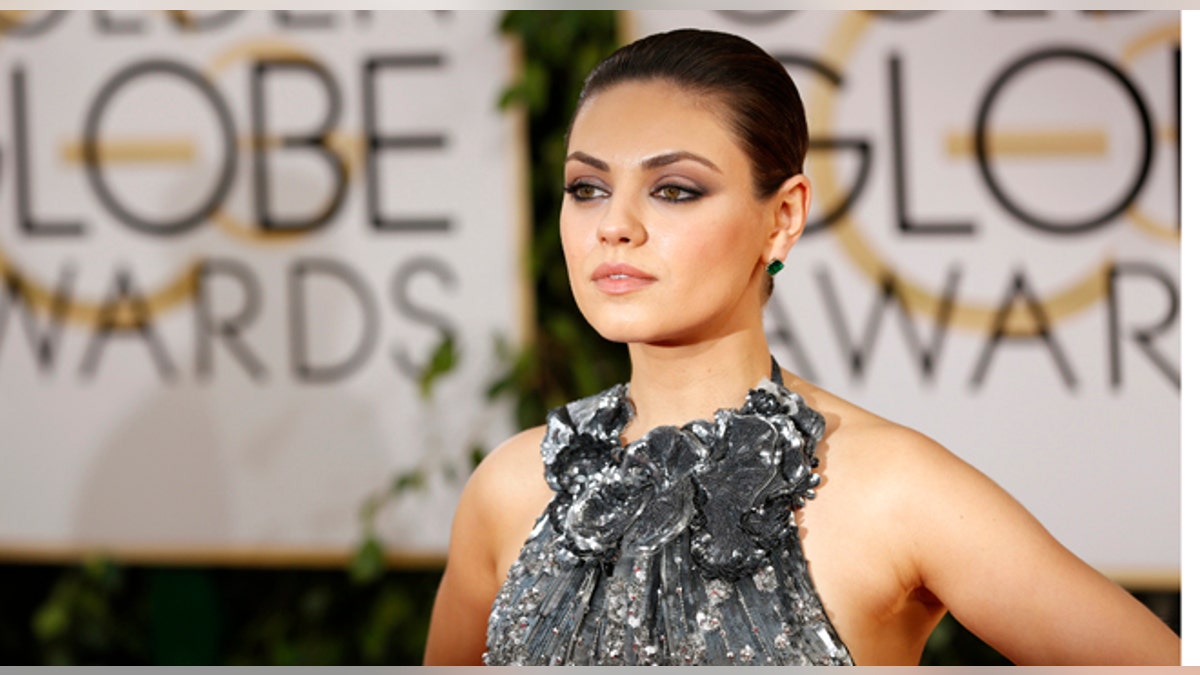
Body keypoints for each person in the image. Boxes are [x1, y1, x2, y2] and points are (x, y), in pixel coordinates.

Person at [422, 28, 1180, 666]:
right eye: (587, 187)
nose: (614, 224)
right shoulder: (512, 488)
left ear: (783, 217)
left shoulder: (891, 488)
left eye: (675, 189)